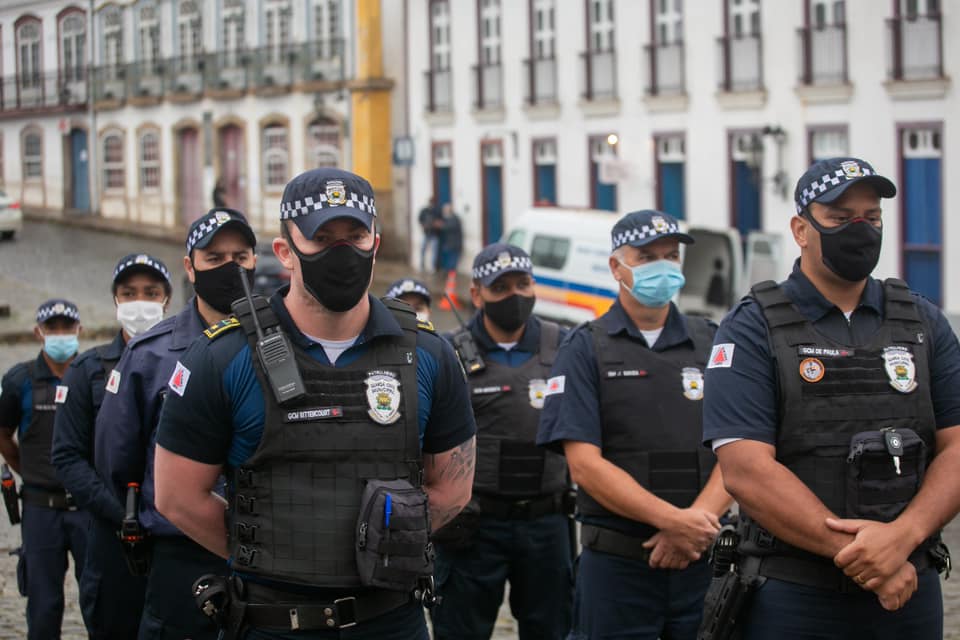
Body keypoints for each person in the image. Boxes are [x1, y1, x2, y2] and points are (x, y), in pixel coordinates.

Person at [153, 167, 477, 639]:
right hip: (271, 623)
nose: (341, 252)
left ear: (375, 243)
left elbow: (453, 488)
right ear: (285, 250)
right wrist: (271, 554)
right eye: (321, 238)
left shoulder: (429, 355)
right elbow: (177, 497)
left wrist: (383, 552)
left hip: (390, 621)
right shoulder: (221, 357)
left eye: (355, 237)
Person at [703, 157, 960, 639]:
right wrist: (867, 558)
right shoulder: (751, 327)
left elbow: (957, 446)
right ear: (801, 230)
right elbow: (746, 469)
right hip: (796, 595)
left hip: (909, 586)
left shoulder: (923, 322)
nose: (860, 229)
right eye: (841, 218)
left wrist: (902, 537)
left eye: (872, 217)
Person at [537, 210, 731, 640]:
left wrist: (695, 523)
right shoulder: (583, 348)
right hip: (618, 568)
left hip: (701, 561)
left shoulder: (712, 341)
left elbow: (737, 446)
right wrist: (673, 522)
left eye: (671, 256)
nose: (662, 266)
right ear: (616, 266)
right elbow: (585, 465)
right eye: (646, 257)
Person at [95, 208, 257, 640]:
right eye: (214, 258)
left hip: (266, 553)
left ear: (255, 261)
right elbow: (116, 458)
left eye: (240, 257)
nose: (230, 268)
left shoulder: (279, 346)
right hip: (181, 553)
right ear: (190, 266)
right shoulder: (150, 355)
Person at [430, 242, 573, 640]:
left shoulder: (563, 346)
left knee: (554, 630)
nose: (514, 295)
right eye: (501, 287)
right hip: (473, 527)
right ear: (476, 294)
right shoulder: (447, 352)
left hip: (547, 523)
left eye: (522, 284)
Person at [51, 253, 172, 640]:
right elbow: (67, 456)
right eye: (129, 293)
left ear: (167, 299)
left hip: (177, 539)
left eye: (151, 292)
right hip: (112, 538)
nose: (140, 302)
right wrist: (121, 514)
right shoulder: (86, 370)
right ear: (116, 299)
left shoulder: (191, 361)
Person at [0, 299, 88, 640]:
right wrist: (28, 469)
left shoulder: (93, 374)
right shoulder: (19, 380)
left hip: (87, 507)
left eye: (67, 327)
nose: (60, 334)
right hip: (40, 509)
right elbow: (3, 433)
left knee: (100, 600)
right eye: (53, 328)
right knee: (43, 607)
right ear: (39, 332)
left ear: (79, 330)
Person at [418, 197, 440, 273]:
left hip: (434, 234)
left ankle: (432, 267)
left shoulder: (437, 211)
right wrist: (423, 225)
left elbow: (441, 221)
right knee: (422, 250)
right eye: (431, 202)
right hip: (426, 233)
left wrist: (437, 224)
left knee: (434, 252)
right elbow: (420, 219)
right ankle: (422, 266)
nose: (431, 204)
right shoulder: (424, 211)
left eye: (433, 202)